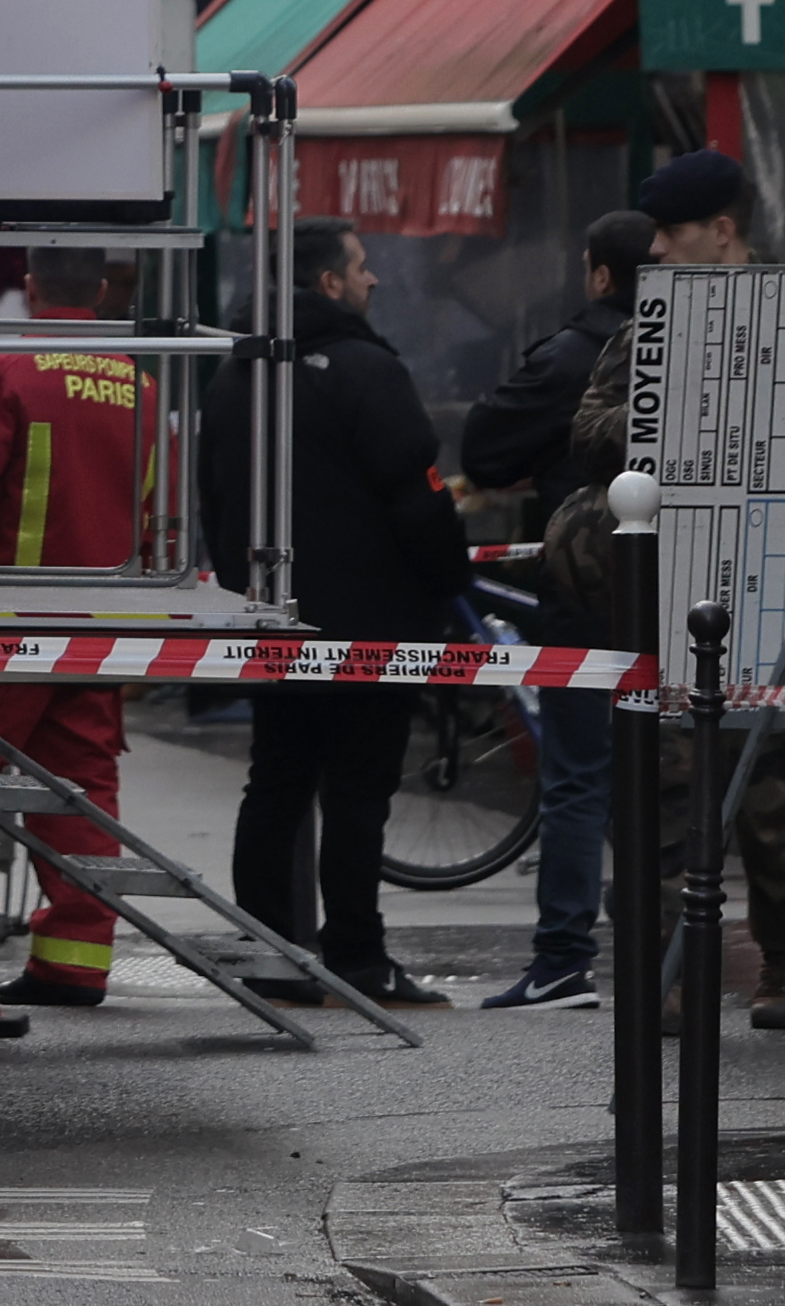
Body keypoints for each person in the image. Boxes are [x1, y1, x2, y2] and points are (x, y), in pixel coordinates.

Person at [205, 218, 471, 1007]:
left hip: (272, 620)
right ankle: (356, 958)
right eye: (362, 267)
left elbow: (216, 501)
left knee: (275, 783)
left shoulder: (234, 375)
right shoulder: (364, 371)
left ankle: (269, 953)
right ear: (328, 283)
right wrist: (447, 580)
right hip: (371, 627)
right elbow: (416, 494)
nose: (375, 280)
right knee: (357, 795)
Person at [587, 146, 785, 1023]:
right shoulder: (648, 324)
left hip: (771, 578)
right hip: (671, 580)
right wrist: (678, 422)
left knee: (766, 789)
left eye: (673, 236)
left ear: (722, 232)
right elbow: (592, 429)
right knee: (667, 789)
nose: (659, 255)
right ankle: (674, 968)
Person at [458, 208, 660, 1009]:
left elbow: (485, 449)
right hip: (697, 603)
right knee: (678, 780)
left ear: (601, 275)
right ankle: (678, 958)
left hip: (590, 595)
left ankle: (564, 959)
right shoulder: (714, 354)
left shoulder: (574, 357)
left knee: (579, 777)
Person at [0, 246, 149, 1007]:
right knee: (84, 782)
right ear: (99, 288)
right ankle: (74, 961)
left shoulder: (4, 368)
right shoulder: (143, 377)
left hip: (12, 612)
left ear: (28, 287)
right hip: (108, 613)